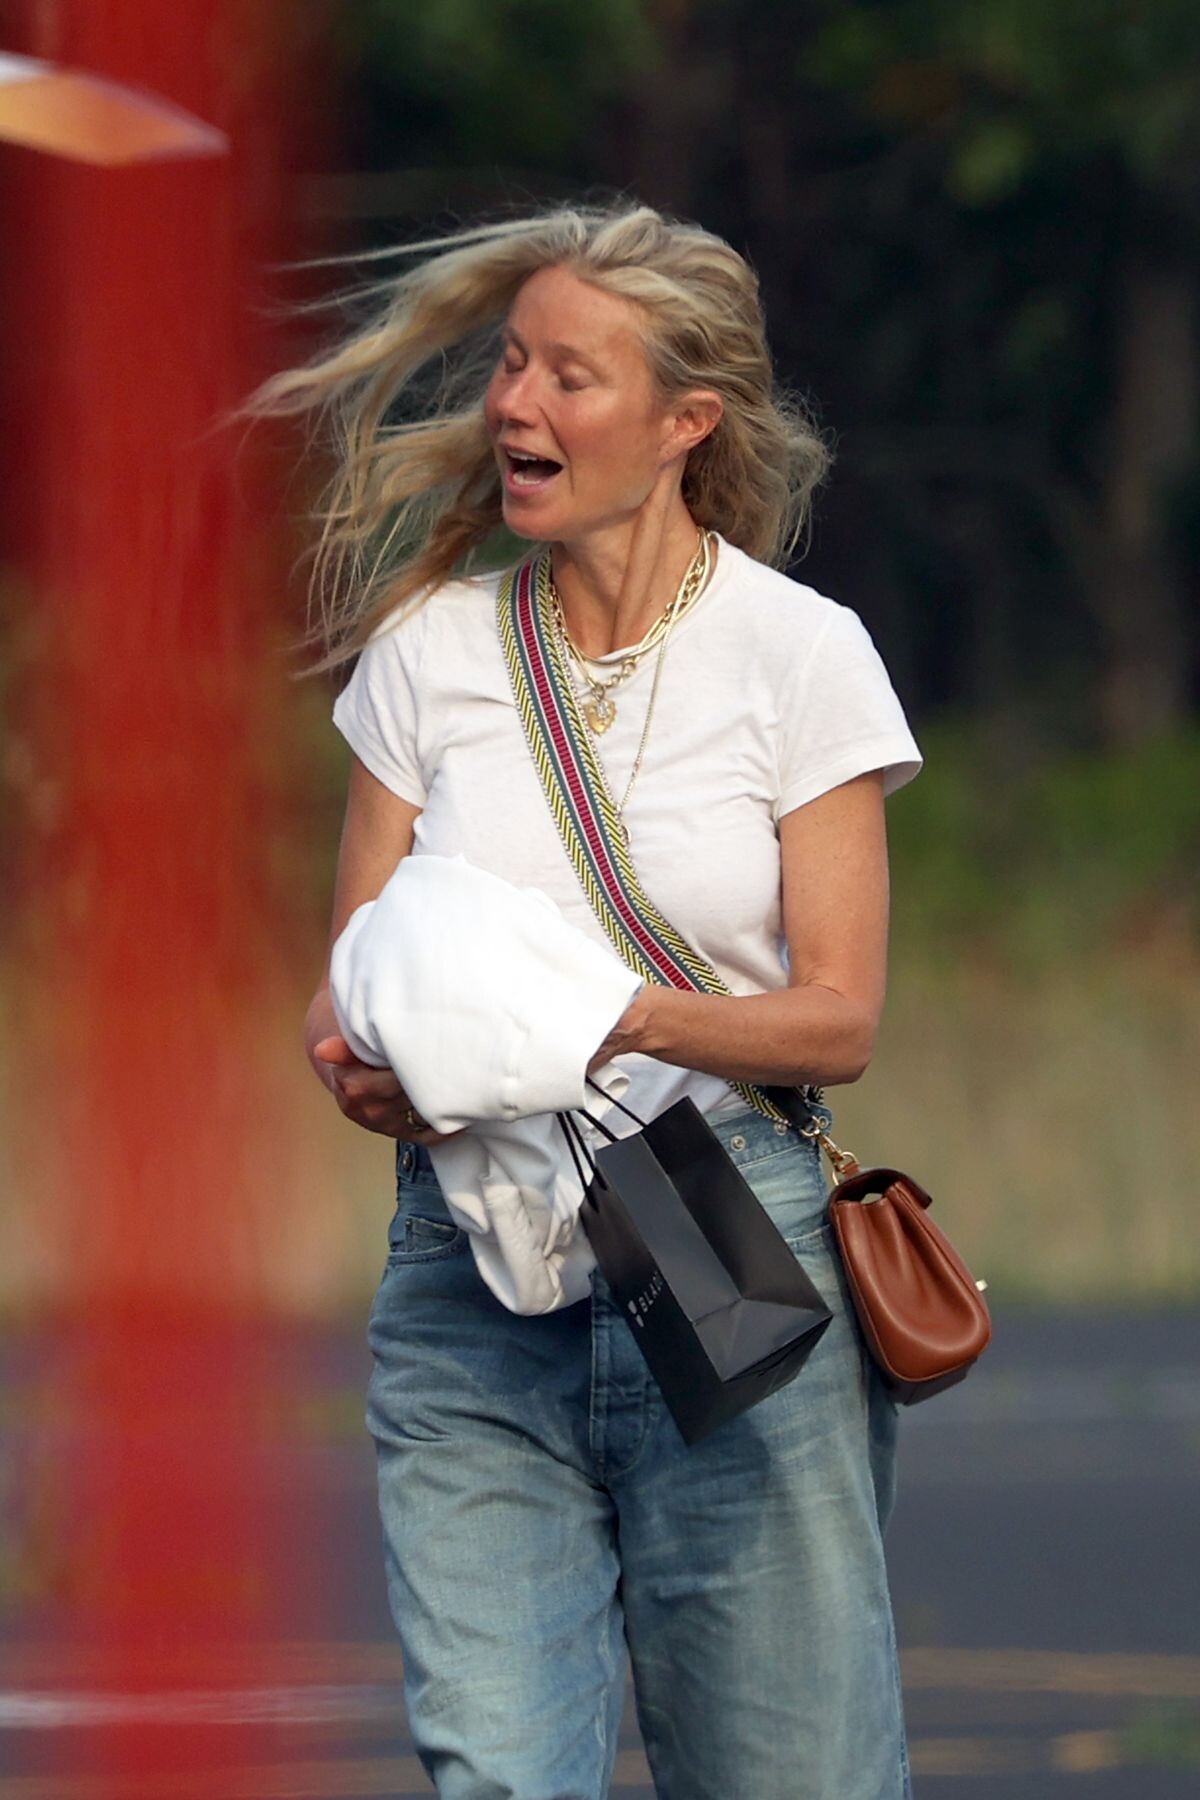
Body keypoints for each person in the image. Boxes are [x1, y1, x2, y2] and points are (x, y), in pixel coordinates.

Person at [257, 203, 922, 1800]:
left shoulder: (801, 655)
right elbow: (348, 986)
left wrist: (593, 1018)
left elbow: (838, 1021)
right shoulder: (429, 653)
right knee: (497, 1774)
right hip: (468, 1265)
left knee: (791, 1777)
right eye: (510, 364)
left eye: (570, 374)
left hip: (718, 1228)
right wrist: (369, 1067)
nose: (515, 403)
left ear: (687, 422)